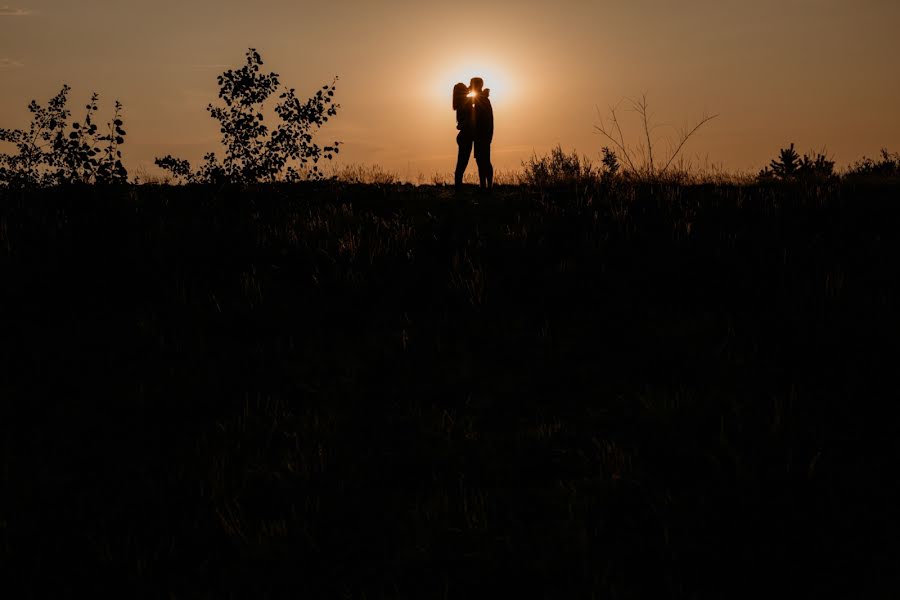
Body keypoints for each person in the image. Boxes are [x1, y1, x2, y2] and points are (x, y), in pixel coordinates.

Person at [453, 77, 494, 192]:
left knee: (481, 161)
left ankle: (484, 186)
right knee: (472, 161)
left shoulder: (470, 101)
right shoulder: (466, 102)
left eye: (471, 85)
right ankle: (482, 186)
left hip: (479, 136)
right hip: (471, 136)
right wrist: (482, 94)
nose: (469, 88)